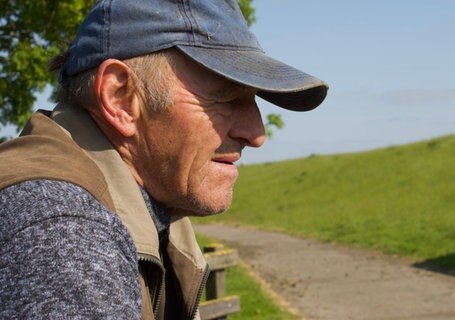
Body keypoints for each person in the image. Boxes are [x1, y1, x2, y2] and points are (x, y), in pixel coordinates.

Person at [0, 0, 327, 319]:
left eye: (252, 102)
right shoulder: (62, 232)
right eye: (226, 99)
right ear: (121, 98)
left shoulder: (152, 210)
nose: (256, 133)